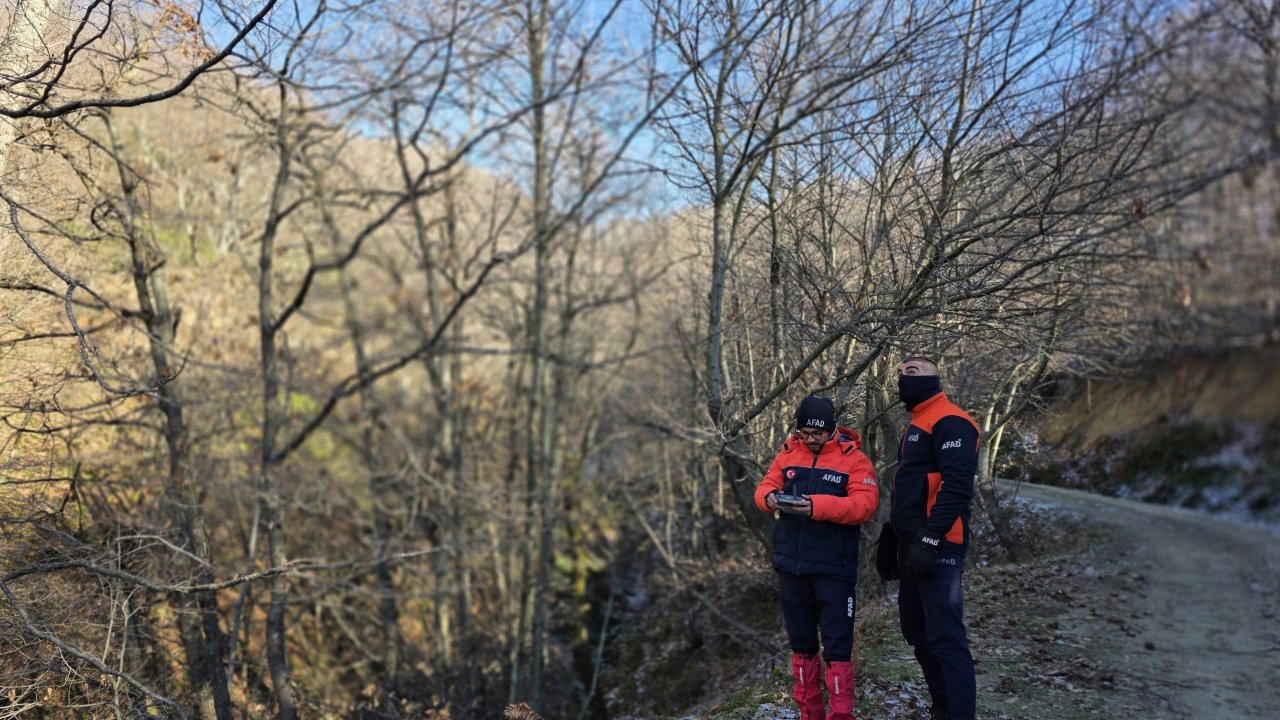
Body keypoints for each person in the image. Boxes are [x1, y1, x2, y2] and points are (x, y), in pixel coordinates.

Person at [754, 395, 879, 720]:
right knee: (802, 646)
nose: (810, 439)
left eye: (816, 433)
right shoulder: (788, 452)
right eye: (804, 432)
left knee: (837, 648)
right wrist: (769, 498)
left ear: (831, 428)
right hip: (791, 566)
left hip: (834, 570)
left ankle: (840, 714)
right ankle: (809, 713)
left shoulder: (856, 460)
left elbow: (864, 506)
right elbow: (765, 485)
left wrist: (816, 507)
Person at [875, 357, 981, 720]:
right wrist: (892, 535)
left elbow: (956, 488)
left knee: (945, 638)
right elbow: (912, 489)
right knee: (917, 634)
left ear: (936, 377)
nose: (904, 377)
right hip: (911, 546)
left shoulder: (951, 420)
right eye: (901, 372)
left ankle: (960, 714)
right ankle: (943, 707)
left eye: (914, 371)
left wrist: (932, 540)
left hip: (939, 546)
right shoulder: (916, 423)